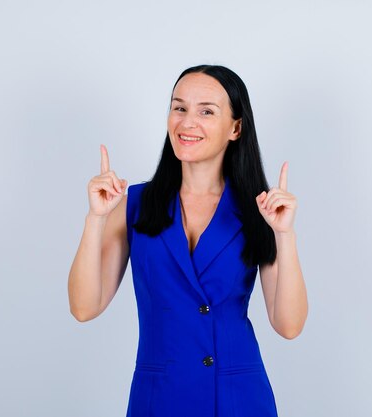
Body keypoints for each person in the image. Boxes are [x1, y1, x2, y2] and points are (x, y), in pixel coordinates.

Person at [68, 64, 308, 417]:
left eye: (206, 111)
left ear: (235, 127)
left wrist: (284, 235)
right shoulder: (134, 204)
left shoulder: (259, 209)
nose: (187, 122)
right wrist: (96, 219)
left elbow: (289, 325)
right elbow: (84, 307)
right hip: (160, 398)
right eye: (179, 107)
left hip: (238, 399)